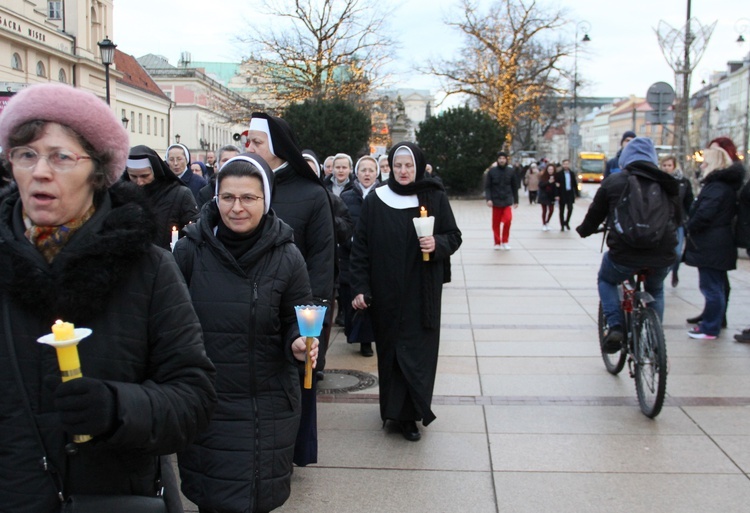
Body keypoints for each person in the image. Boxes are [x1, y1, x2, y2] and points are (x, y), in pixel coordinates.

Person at [0, 82, 216, 513]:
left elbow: (194, 399)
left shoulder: (148, 268)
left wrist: (118, 408)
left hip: (113, 496)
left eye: (61, 157)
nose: (40, 171)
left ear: (97, 172)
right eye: (26, 155)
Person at [174, 154, 318, 513]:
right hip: (208, 403)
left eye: (249, 198)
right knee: (213, 498)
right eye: (228, 197)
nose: (237, 208)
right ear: (216, 198)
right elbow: (169, 323)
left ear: (265, 200)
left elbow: (298, 320)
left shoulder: (287, 256)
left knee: (257, 499)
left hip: (266, 405)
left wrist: (298, 344)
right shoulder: (190, 250)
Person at [350, 142, 462, 442]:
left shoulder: (433, 196)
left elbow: (454, 235)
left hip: (421, 293)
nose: (403, 171)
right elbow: (360, 246)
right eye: (398, 165)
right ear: (389, 167)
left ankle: (412, 415)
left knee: (417, 353)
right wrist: (360, 286)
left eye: (408, 166)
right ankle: (393, 411)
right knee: (391, 353)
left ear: (418, 167)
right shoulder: (377, 199)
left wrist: (437, 243)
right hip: (385, 293)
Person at [246, 112, 334, 467]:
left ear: (279, 148)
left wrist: (313, 318)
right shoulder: (244, 186)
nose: (248, 147)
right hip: (249, 306)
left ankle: (292, 453)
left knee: (295, 384)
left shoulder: (312, 194)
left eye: (256, 142)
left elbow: (323, 259)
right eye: (246, 140)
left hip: (296, 308)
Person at [576, 137, 680, 354]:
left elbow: (595, 214)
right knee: (656, 289)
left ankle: (615, 327)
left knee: (606, 279)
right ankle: (653, 340)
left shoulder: (614, 181)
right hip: (661, 253)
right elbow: (677, 218)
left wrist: (584, 230)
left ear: (625, 158)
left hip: (625, 254)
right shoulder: (667, 183)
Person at [683, 144, 745, 340]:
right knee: (715, 285)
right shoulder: (723, 185)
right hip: (718, 241)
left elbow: (705, 214)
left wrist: (690, 225)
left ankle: (710, 327)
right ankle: (711, 324)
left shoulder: (716, 187)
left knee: (711, 286)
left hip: (712, 242)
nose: (701, 166)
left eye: (704, 163)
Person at [122, 144, 199, 250]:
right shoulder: (122, 195)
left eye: (145, 176)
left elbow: (194, 232)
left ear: (155, 172)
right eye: (133, 176)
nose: (139, 182)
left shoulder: (180, 194)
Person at [341, 155, 380, 357]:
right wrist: (351, 242)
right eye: (363, 170)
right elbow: (341, 224)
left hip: (377, 256)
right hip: (351, 255)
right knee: (352, 295)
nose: (367, 174)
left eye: (371, 170)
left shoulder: (383, 194)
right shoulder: (347, 197)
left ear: (377, 173)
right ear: (357, 172)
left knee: (371, 297)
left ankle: (367, 340)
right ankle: (354, 332)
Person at [659, 155, 693, 287]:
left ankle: (675, 272)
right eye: (664, 165)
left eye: (669, 165)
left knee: (677, 253)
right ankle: (661, 276)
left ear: (674, 166)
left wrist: (690, 219)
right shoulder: (658, 181)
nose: (667, 168)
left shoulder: (683, 182)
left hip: (678, 222)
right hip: (662, 222)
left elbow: (688, 202)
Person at [484, 151, 519, 250]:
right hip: (495, 201)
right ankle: (497, 242)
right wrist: (489, 199)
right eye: (500, 159)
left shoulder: (511, 171)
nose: (501, 160)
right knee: (496, 223)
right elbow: (487, 187)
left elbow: (514, 187)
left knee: (508, 220)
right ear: (497, 160)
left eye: (503, 158)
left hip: (507, 200)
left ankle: (505, 241)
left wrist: (516, 200)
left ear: (506, 159)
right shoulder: (492, 172)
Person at [197, 144, 242, 209]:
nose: (228, 163)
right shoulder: (205, 192)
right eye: (225, 160)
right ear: (218, 164)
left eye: (233, 160)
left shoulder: (248, 188)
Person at [555, 159, 578, 231]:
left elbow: (574, 184)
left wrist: (577, 193)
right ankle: (562, 225)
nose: (566, 165)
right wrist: (557, 195)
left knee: (570, 209)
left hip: (570, 193)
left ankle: (567, 222)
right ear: (562, 165)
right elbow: (556, 185)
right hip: (562, 194)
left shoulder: (571, 173)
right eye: (564, 164)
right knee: (561, 210)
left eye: (567, 164)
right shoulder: (559, 174)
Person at [538, 163, 558, 231]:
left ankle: (547, 222)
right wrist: (549, 182)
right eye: (549, 169)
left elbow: (556, 187)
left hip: (551, 196)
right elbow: (541, 185)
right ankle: (544, 224)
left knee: (551, 210)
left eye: (552, 169)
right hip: (544, 196)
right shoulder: (543, 177)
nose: (550, 171)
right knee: (544, 210)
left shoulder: (556, 177)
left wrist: (556, 195)